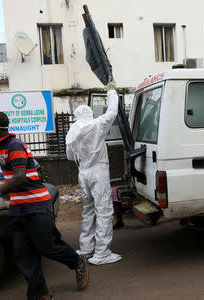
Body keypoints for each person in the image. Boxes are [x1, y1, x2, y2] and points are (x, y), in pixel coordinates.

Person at [0, 112, 89, 300]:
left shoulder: (14, 145)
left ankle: (77, 262)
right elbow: (8, 161)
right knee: (24, 255)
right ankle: (40, 295)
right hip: (18, 208)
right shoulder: (2, 147)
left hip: (36, 205)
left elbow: (19, 176)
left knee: (48, 247)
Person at [66, 81, 122, 265]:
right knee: (104, 211)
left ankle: (86, 248)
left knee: (88, 210)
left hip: (83, 173)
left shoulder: (73, 132)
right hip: (98, 172)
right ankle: (102, 253)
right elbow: (112, 111)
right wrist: (111, 91)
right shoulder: (97, 125)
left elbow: (69, 156)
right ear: (90, 113)